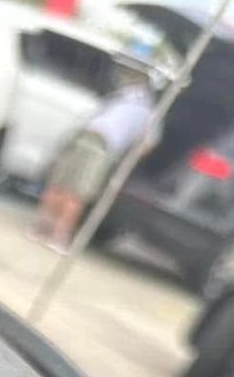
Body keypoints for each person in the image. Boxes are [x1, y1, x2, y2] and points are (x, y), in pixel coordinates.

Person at [34, 78, 156, 251]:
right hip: (100, 145)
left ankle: (43, 230)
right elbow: (147, 144)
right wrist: (126, 160)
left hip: (87, 136)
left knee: (61, 186)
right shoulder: (145, 110)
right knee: (74, 192)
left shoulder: (123, 98)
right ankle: (56, 236)